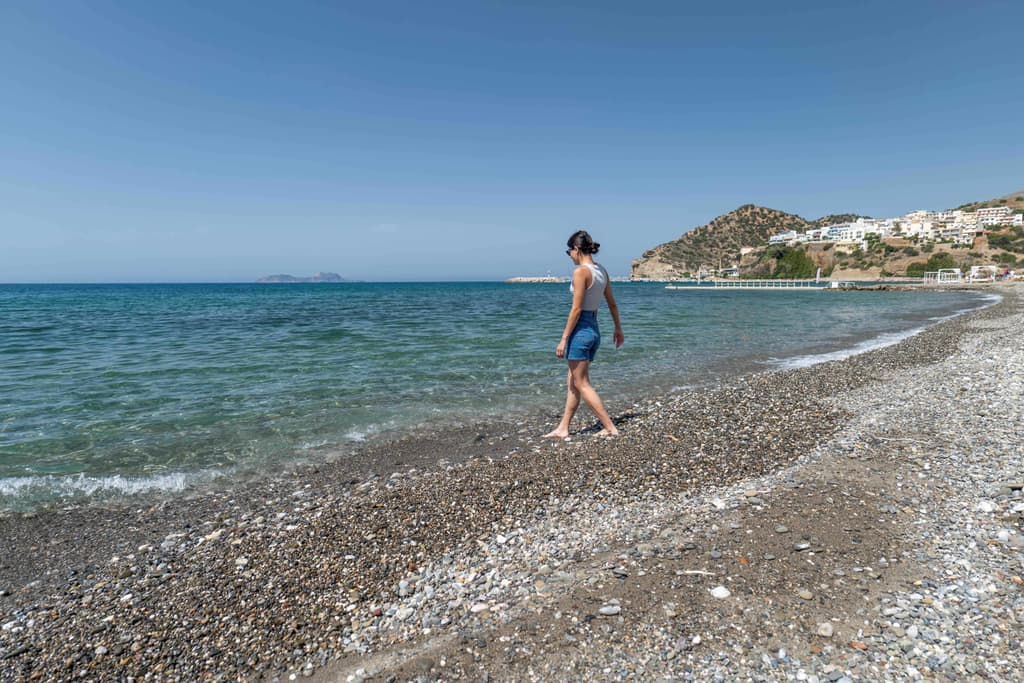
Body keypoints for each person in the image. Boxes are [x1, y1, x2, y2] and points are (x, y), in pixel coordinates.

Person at [544, 230, 624, 438]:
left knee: (581, 382)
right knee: (573, 380)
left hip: (581, 330)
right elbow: (612, 303)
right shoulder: (602, 271)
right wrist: (618, 329)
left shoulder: (581, 272)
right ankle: (563, 427)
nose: (569, 254)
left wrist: (563, 339)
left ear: (577, 249)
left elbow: (577, 309)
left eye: (569, 250)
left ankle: (609, 427)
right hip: (594, 328)